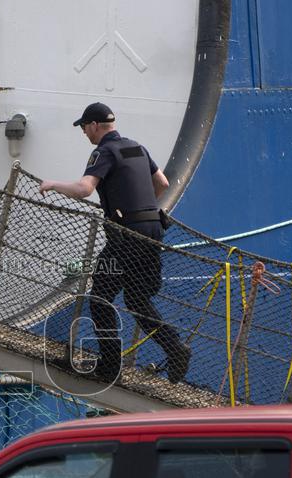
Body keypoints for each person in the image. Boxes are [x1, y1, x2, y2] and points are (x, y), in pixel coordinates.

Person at [39, 102, 191, 383]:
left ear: (95, 125)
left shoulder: (104, 151)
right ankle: (175, 348)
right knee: (137, 298)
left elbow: (85, 189)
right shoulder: (137, 147)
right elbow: (162, 183)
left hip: (127, 236)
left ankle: (110, 367)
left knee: (100, 297)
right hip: (153, 229)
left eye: (84, 127)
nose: (84, 132)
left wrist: (53, 184)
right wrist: (141, 208)